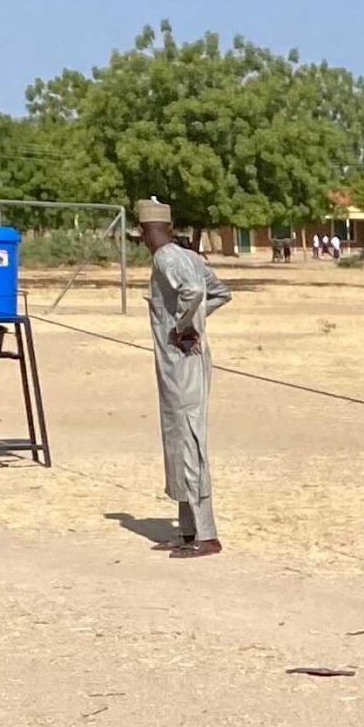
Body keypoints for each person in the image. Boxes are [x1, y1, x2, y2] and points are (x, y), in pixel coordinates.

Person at [134, 199, 231, 560]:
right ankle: (188, 530)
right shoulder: (189, 256)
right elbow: (219, 292)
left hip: (183, 363)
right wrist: (194, 320)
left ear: (146, 231)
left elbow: (192, 294)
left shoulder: (166, 258)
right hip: (175, 367)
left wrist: (185, 327)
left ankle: (207, 535)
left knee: (189, 440)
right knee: (177, 439)